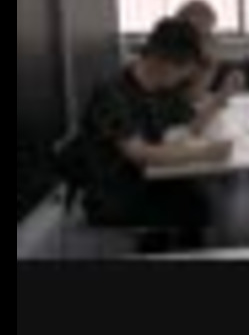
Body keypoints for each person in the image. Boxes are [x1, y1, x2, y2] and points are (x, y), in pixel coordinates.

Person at [73, 17, 233, 254]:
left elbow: (189, 127)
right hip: (114, 195)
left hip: (147, 181)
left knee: (196, 195)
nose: (184, 80)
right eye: (183, 72)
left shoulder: (160, 88)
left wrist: (219, 100)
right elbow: (140, 154)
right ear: (163, 62)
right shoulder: (112, 93)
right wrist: (204, 153)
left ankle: (173, 248)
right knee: (194, 206)